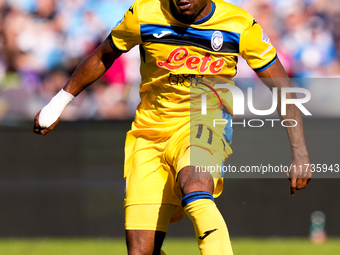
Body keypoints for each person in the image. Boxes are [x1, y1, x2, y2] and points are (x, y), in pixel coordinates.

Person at [33, 0, 312, 254]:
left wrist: (300, 152)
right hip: (149, 131)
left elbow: (283, 88)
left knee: (195, 188)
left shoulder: (239, 25)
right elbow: (102, 56)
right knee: (142, 251)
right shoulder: (143, 14)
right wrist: (57, 104)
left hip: (205, 120)